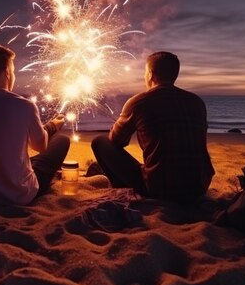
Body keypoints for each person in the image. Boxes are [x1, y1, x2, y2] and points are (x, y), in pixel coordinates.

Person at [91, 51, 214, 202]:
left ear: (150, 74)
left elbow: (117, 141)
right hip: (199, 186)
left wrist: (122, 122)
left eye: (145, 72)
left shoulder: (138, 102)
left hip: (160, 188)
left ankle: (121, 186)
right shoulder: (197, 102)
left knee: (99, 142)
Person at [0, 44, 70, 205]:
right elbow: (41, 146)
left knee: (26, 159)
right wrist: (53, 126)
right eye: (13, 71)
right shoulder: (24, 105)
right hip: (21, 194)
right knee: (62, 140)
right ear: (7, 72)